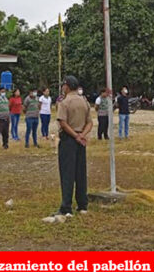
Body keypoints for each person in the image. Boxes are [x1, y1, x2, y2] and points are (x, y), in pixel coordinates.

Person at [55, 75, 92, 216]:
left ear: (67, 86)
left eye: (63, 85)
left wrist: (75, 136)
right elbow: (90, 122)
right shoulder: (84, 102)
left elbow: (63, 123)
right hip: (81, 140)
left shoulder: (65, 102)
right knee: (80, 172)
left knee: (67, 173)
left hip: (69, 140)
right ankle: (83, 204)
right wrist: (82, 135)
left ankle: (66, 206)